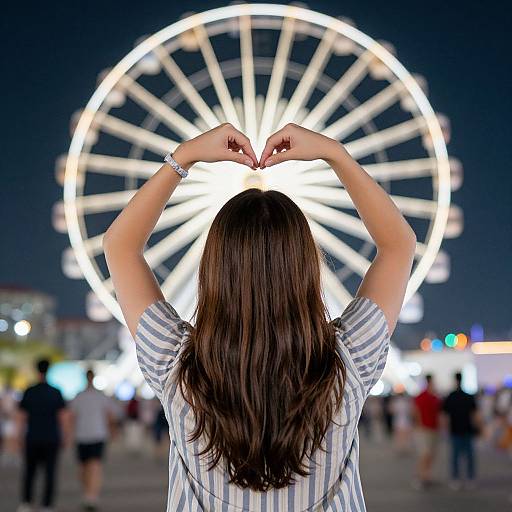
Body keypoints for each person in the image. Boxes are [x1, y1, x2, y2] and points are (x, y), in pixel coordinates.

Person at [103, 123, 416, 510]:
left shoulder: (176, 367)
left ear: (213, 270)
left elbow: (119, 246)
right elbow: (399, 246)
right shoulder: (347, 363)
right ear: (306, 267)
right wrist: (335, 154)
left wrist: (184, 157)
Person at [16, 359, 69, 512]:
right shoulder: (56, 392)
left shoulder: (29, 391)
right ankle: (47, 505)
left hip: (32, 437)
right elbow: (63, 417)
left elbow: (21, 417)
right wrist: (65, 436)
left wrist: (19, 436)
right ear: (49, 370)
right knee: (50, 473)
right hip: (51, 438)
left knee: (29, 472)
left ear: (36, 370)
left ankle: (26, 503)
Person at [70, 369, 116, 511]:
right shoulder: (99, 396)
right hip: (95, 434)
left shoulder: (79, 396)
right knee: (92, 467)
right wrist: (112, 431)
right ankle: (91, 496)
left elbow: (72, 417)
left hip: (85, 435)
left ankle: (89, 495)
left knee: (87, 467)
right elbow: (110, 415)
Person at [442, 372, 479, 489]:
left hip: (455, 430)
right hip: (468, 429)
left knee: (455, 456)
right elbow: (474, 415)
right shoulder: (469, 396)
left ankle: (455, 479)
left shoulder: (450, 396)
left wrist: (446, 429)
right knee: (469, 456)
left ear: (454, 380)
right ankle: (470, 478)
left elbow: (445, 415)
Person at [413, 374, 441, 488]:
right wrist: (418, 425)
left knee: (431, 455)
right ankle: (421, 477)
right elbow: (415, 412)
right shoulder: (422, 396)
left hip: (433, 428)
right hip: (423, 429)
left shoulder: (434, 397)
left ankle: (426, 475)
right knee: (425, 454)